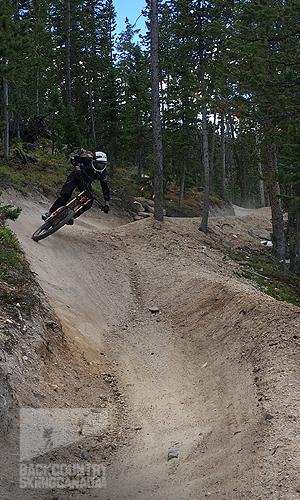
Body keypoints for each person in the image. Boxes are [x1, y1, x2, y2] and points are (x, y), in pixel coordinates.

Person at [42, 151, 110, 224]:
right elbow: (74, 159)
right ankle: (49, 213)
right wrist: (78, 169)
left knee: (89, 202)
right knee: (65, 196)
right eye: (98, 164)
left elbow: (105, 188)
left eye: (102, 165)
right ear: (93, 162)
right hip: (75, 176)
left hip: (85, 183)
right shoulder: (88, 160)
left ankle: (71, 217)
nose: (100, 167)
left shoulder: (102, 173)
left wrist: (106, 204)